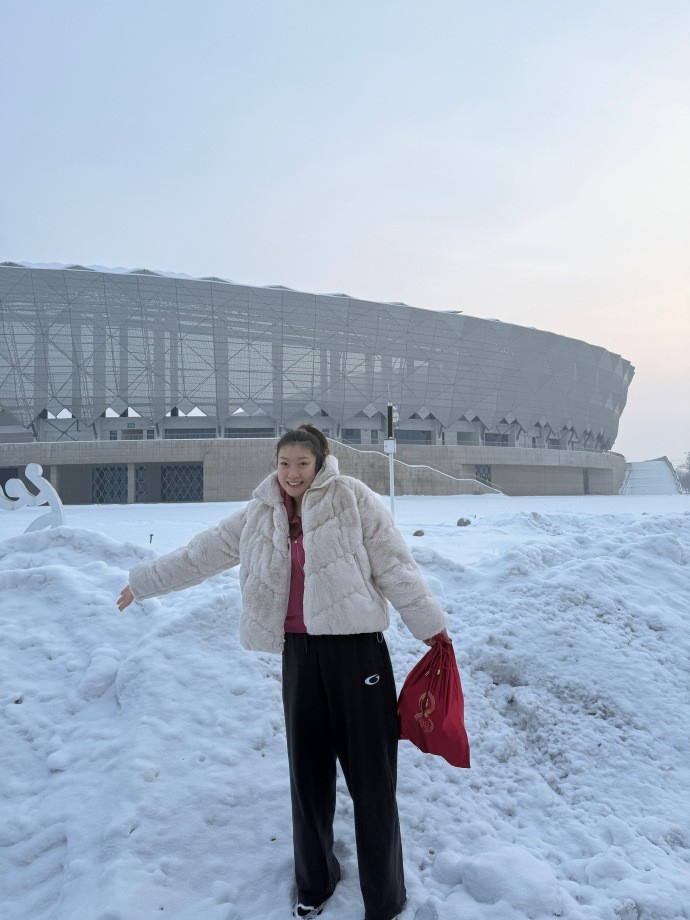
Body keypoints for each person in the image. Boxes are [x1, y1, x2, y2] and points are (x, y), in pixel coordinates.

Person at [117, 424, 448, 920]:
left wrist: (429, 626)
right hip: (300, 656)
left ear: (321, 464)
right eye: (284, 463)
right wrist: (141, 583)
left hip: (357, 653)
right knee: (307, 774)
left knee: (371, 779)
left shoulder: (351, 499)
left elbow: (394, 565)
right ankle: (315, 882)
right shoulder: (261, 511)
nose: (292, 474)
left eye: (302, 464)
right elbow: (199, 555)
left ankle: (385, 897)